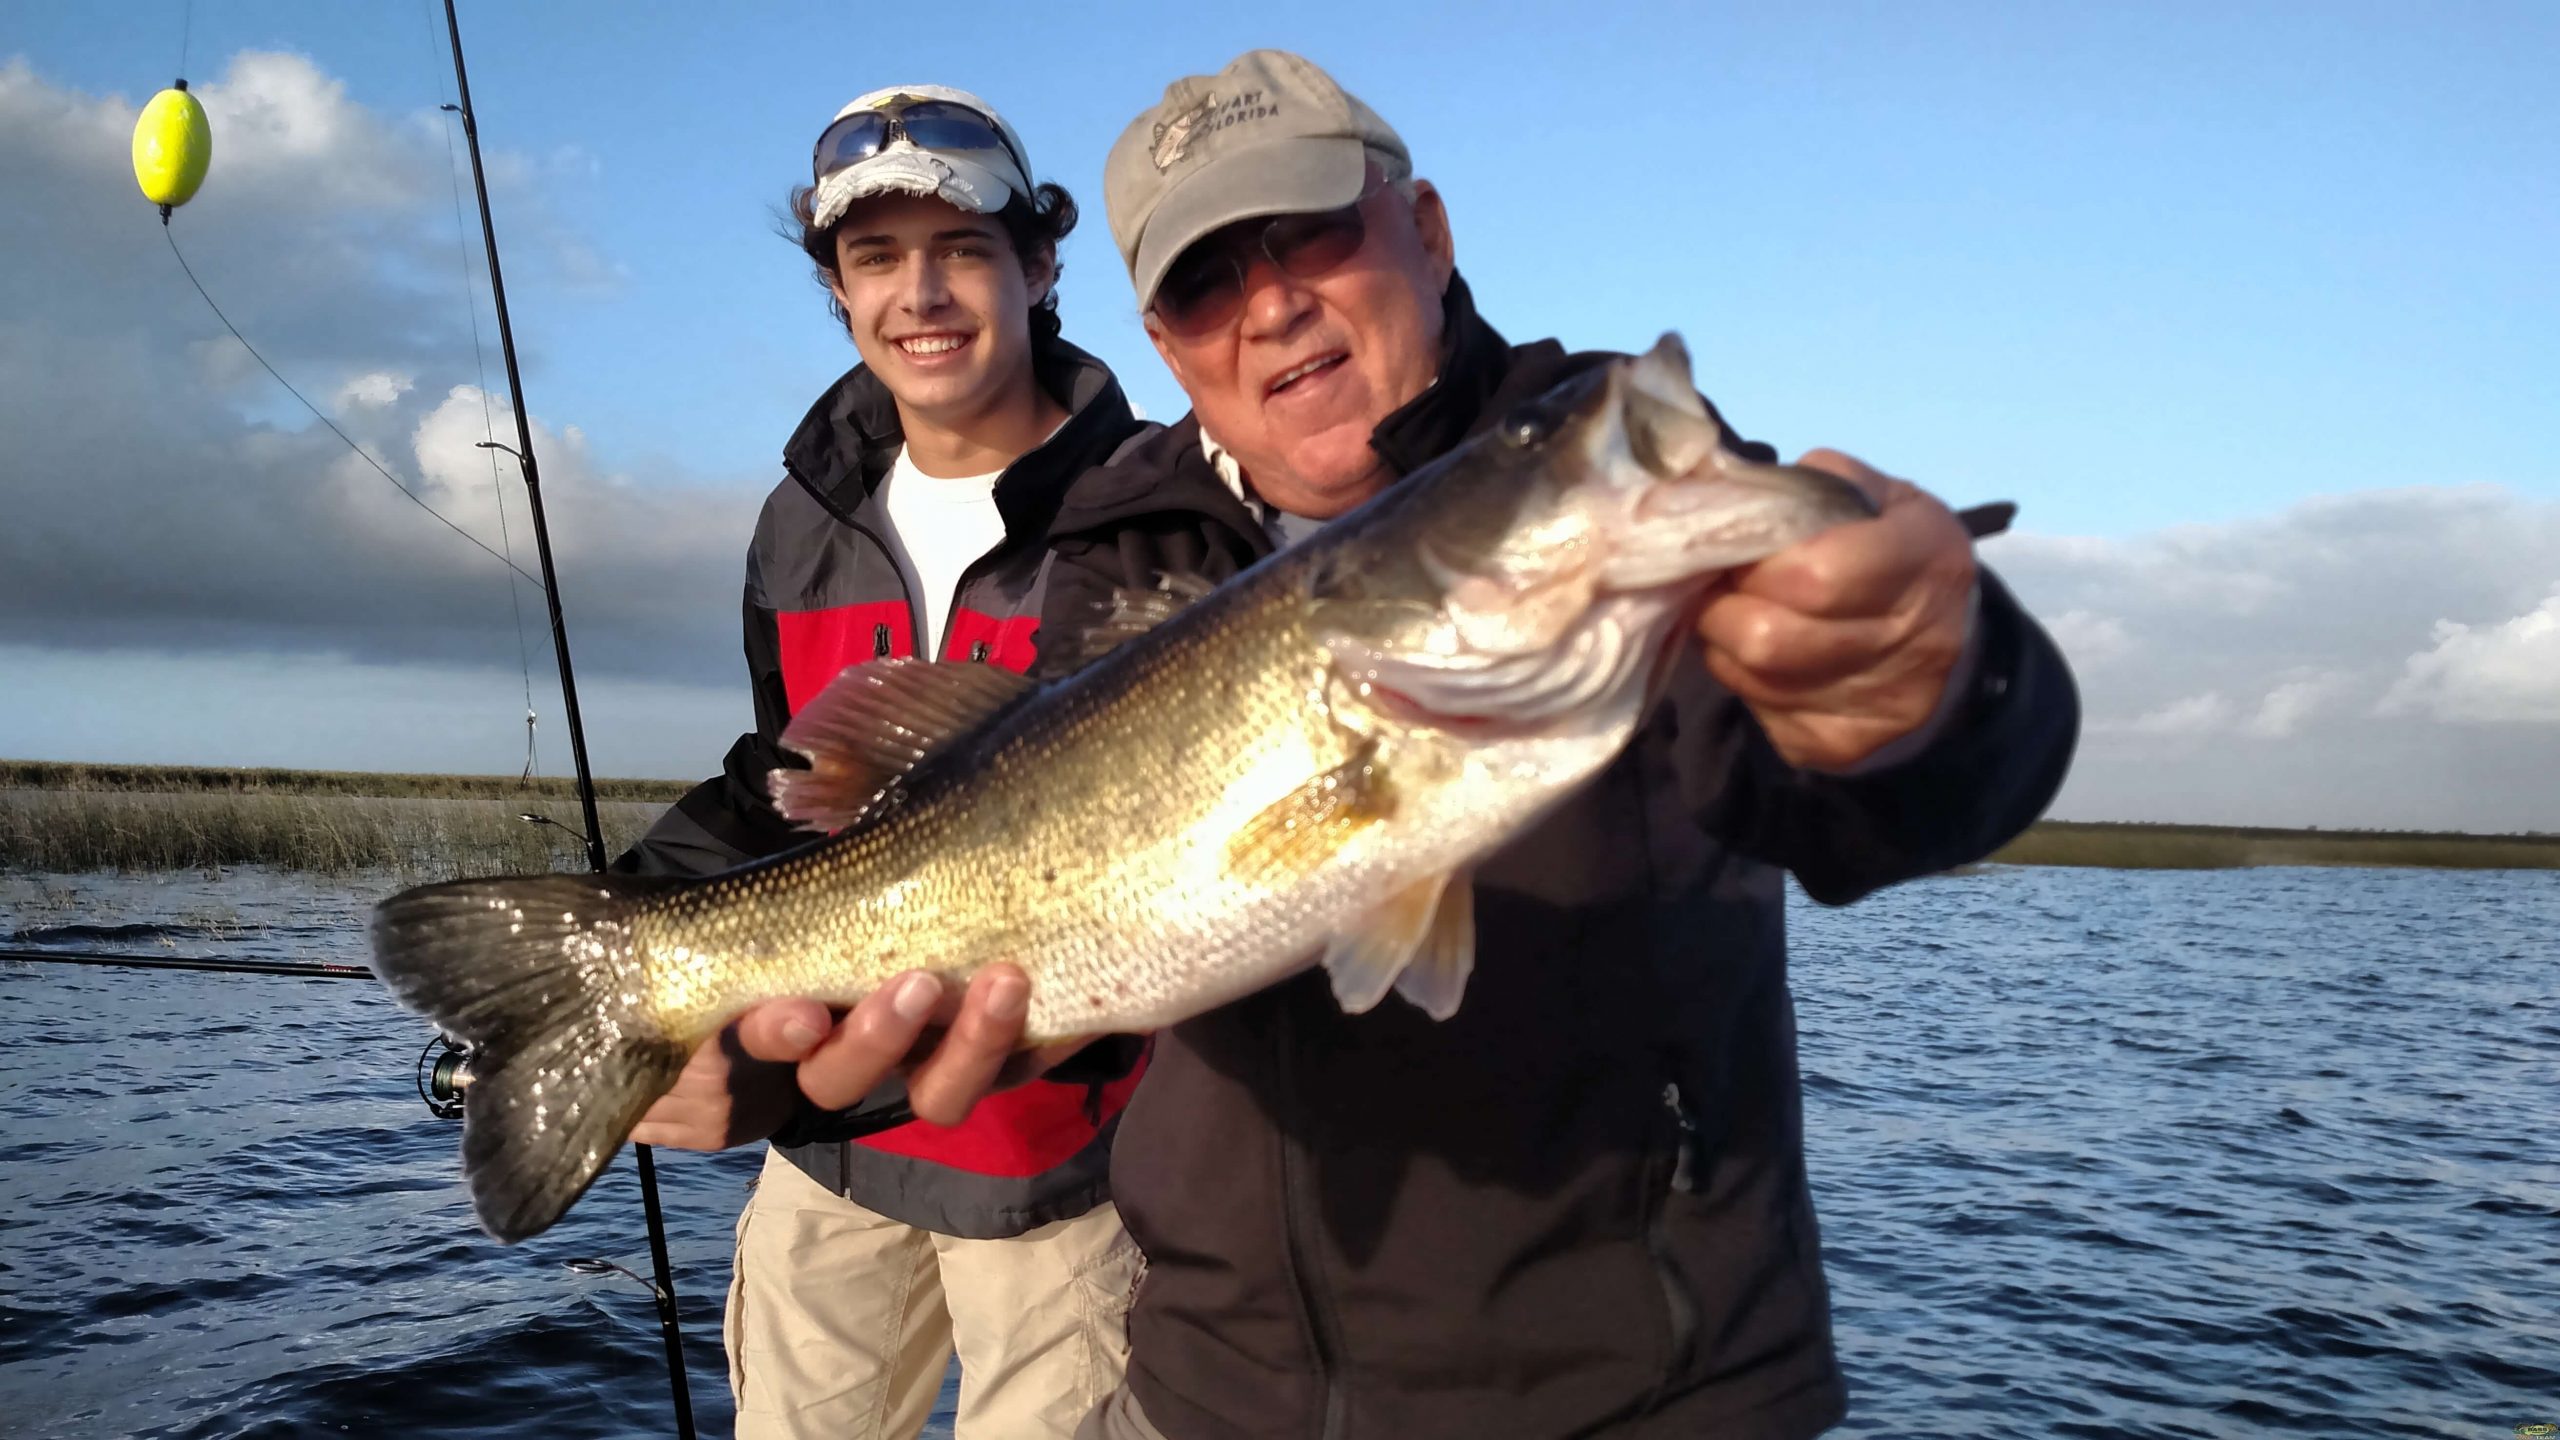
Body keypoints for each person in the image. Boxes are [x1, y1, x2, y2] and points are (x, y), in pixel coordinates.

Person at [699, 48, 2080, 1440]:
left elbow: (1867, 791)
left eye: (1311, 233)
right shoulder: (1124, 535)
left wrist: (1932, 688)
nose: (1272, 303)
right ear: (1167, 344)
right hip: (1208, 1388)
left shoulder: (1585, 463)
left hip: (1633, 1397)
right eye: (1206, 280)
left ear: (1427, 229)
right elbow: (1041, 897)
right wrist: (747, 1055)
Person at [613, 85, 1150, 1440]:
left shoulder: (1154, 509)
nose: (922, 293)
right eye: (875, 257)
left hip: (1066, 1174)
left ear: (1040, 264)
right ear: (838, 290)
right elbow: (779, 781)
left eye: (964, 248)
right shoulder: (800, 518)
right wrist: (621, 939)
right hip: (832, 1163)